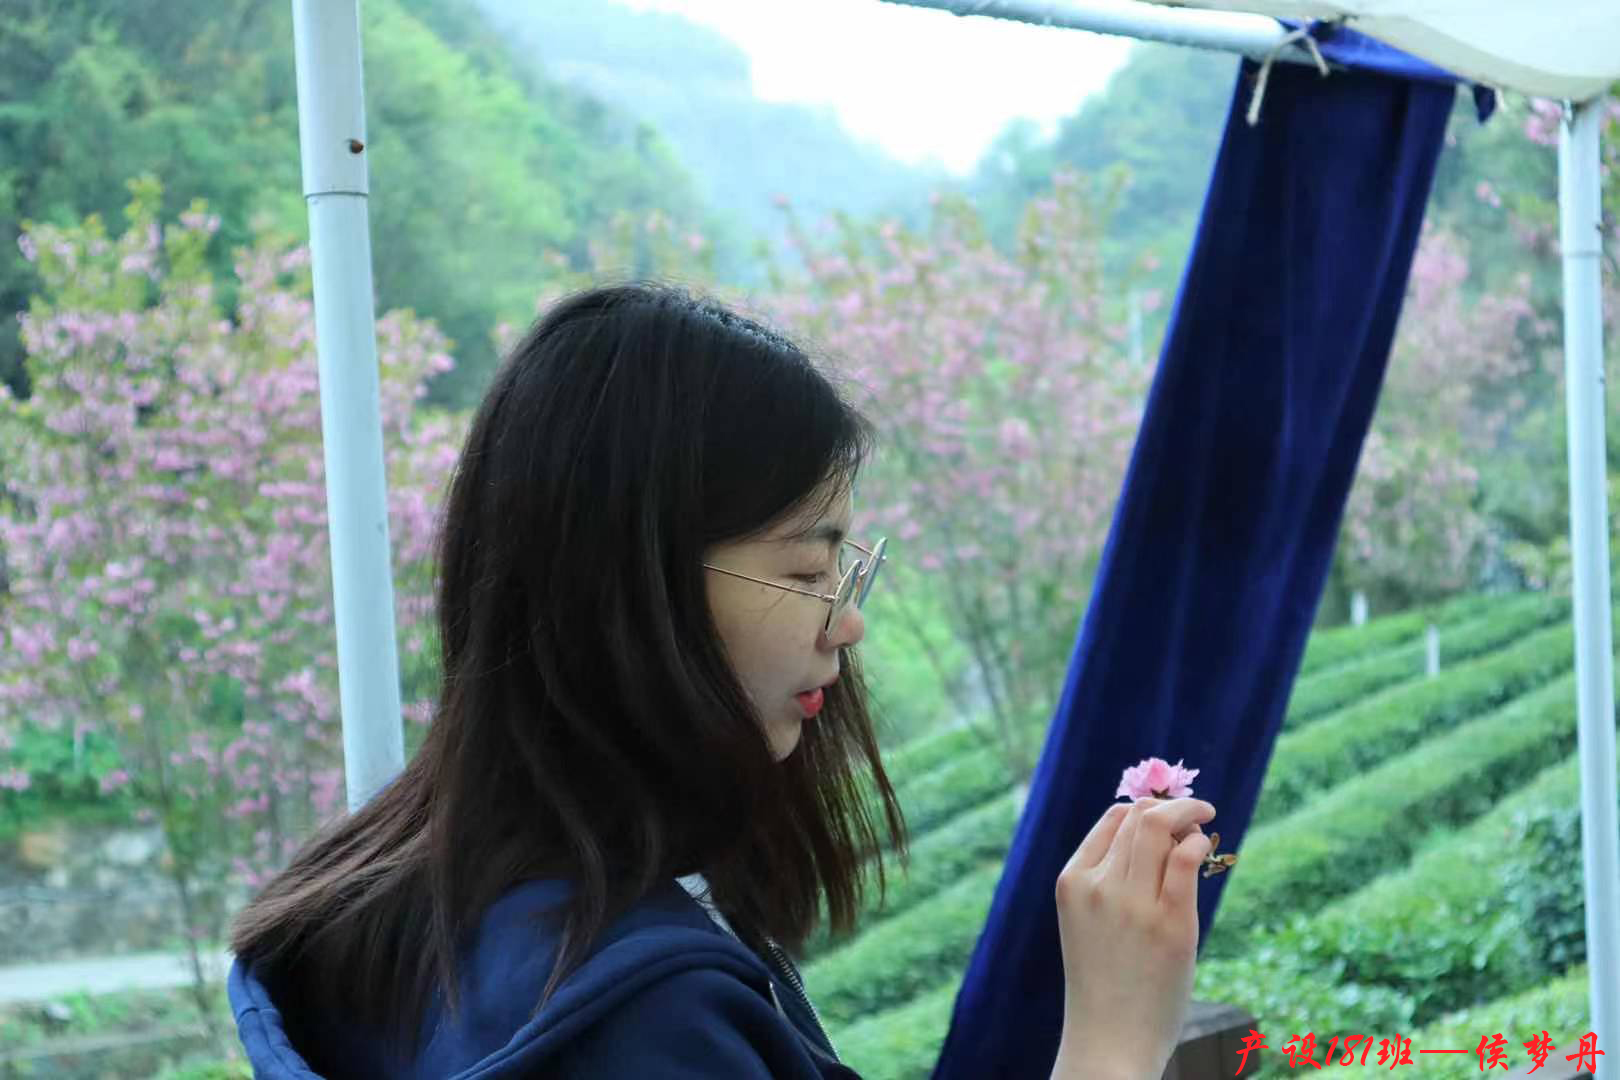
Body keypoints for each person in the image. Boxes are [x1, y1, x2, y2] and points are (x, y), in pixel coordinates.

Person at [227, 283, 1216, 1079]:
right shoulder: (642, 1022)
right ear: (632, 590)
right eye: (807, 570)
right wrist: (1112, 1044)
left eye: (845, 570)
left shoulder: (377, 899)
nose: (849, 622)